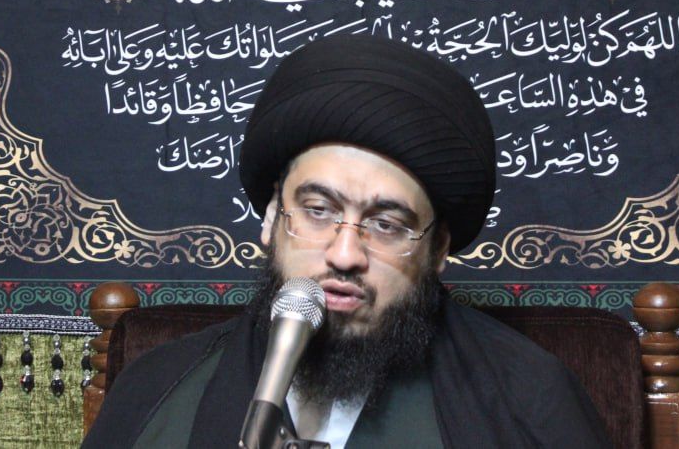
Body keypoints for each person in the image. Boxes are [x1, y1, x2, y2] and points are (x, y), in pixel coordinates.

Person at [84, 34, 610, 448]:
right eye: (318, 212)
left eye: (386, 225)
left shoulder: (530, 401)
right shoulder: (155, 388)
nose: (343, 255)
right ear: (270, 219)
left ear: (438, 249)